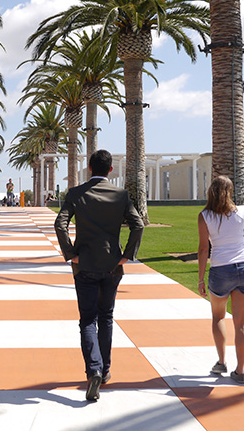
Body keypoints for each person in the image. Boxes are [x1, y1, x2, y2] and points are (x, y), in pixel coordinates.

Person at [55, 149, 144, 402]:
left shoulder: (75, 194)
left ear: (90, 169)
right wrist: (127, 255)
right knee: (106, 317)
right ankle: (104, 371)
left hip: (85, 265)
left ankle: (93, 368)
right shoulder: (120, 195)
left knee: (87, 320)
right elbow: (138, 225)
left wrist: (71, 253)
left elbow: (60, 224)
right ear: (111, 170)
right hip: (112, 266)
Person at [197, 175, 244, 385]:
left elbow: (204, 249)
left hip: (220, 269)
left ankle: (222, 361)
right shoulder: (242, 211)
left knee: (218, 317)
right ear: (230, 191)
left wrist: (200, 278)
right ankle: (240, 372)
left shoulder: (204, 216)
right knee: (241, 322)